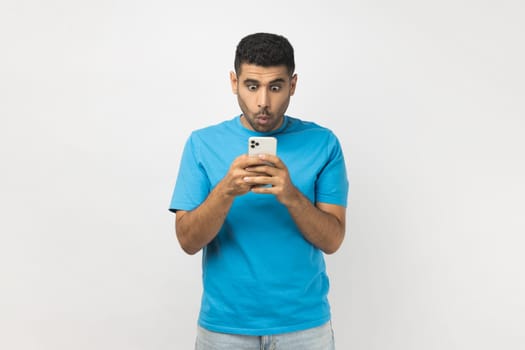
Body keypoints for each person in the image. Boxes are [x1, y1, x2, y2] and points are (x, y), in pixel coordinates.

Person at [169, 32, 349, 350]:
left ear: (292, 85)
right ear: (234, 82)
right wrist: (225, 191)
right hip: (224, 328)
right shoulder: (202, 144)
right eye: (252, 86)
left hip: (304, 327)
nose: (263, 102)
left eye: (275, 87)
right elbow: (187, 241)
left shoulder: (323, 143)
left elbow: (333, 240)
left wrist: (291, 195)